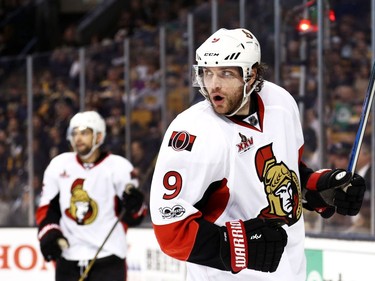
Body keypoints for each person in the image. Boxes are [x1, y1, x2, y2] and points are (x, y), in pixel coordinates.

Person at [149, 28, 366, 280]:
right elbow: (170, 232)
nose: (214, 84)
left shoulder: (281, 103)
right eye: (207, 73)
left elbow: (291, 173)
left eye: (226, 73)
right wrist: (236, 246)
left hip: (292, 272)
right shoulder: (192, 132)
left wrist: (320, 188)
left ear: (251, 75)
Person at [36, 111, 146, 281]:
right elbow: (46, 209)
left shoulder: (119, 167)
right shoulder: (58, 165)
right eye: (74, 133)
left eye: (85, 132)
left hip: (109, 257)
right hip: (69, 259)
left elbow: (134, 216)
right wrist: (49, 233)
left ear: (99, 136)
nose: (78, 138)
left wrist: (136, 205)